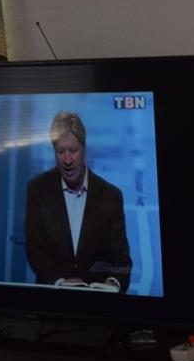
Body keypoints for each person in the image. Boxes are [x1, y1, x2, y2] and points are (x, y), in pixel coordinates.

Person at [24, 111, 133, 292]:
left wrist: (113, 283)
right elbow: (34, 247)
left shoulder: (111, 196)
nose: (67, 160)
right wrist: (58, 282)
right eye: (61, 152)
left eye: (73, 151)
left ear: (84, 149)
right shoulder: (38, 189)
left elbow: (120, 257)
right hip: (51, 298)